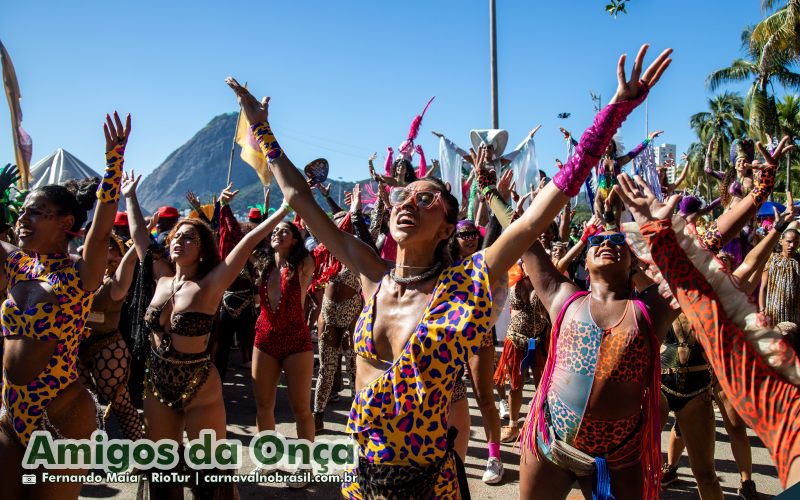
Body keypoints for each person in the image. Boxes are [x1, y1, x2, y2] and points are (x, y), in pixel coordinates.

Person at [226, 42, 671, 499]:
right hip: (363, 481)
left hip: (430, 483)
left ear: (445, 228)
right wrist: (262, 129)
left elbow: (538, 215)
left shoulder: (468, 280)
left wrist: (612, 114)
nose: (409, 203)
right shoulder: (371, 273)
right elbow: (300, 198)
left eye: (427, 199)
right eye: (404, 196)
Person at [615, 139, 800, 492]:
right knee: (641, 468)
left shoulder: (696, 279)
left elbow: (731, 248)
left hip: (699, 385)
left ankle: (744, 482)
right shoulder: (645, 276)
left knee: (706, 473)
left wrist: (761, 195)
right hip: (659, 385)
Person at [124, 172, 285, 498]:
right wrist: (129, 196)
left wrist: (284, 209)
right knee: (162, 470)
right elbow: (141, 237)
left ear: (202, 250)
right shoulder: (161, 277)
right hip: (157, 381)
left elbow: (249, 241)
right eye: (176, 237)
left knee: (207, 474)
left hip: (198, 383)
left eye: (189, 238)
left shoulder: (211, 283)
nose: (179, 241)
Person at [0, 112, 129, 500]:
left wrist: (114, 164)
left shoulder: (78, 275)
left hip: (61, 416)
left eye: (35, 212)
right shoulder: (16, 264)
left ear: (65, 221)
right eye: (22, 212)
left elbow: (103, 227)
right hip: (12, 413)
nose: (22, 219)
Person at [78, 235, 143, 441]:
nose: (105, 251)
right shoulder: (82, 275)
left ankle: (141, 452)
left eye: (111, 248)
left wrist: (140, 237)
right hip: (76, 348)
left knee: (120, 402)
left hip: (108, 346)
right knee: (82, 403)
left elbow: (130, 260)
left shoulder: (117, 282)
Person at [760, 227, 800, 325]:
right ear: (781, 241)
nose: (792, 245)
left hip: (794, 314)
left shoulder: (798, 262)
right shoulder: (772, 260)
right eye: (789, 241)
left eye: (796, 242)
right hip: (773, 313)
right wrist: (762, 310)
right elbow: (763, 287)